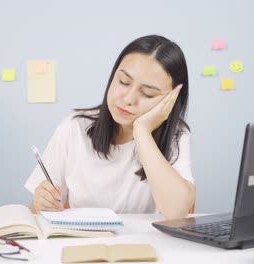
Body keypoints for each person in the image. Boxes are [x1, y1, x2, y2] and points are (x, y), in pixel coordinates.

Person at [24, 35, 195, 220]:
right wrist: (40, 203)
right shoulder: (74, 128)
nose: (128, 99)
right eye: (123, 82)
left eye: (147, 93)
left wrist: (142, 132)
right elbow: (35, 212)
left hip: (144, 247)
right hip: (82, 245)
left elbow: (177, 213)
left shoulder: (177, 135)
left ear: (170, 101)